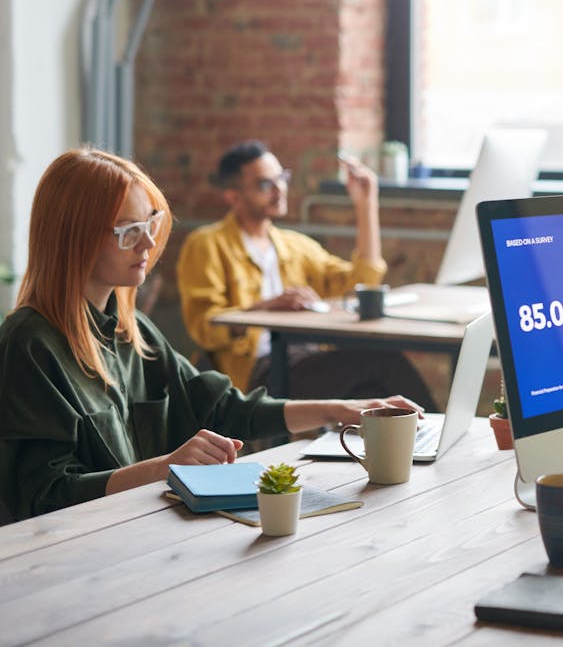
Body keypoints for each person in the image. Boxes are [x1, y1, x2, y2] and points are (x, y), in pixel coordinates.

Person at [0, 148, 423, 520]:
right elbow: (43, 499)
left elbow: (223, 407)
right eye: (129, 232)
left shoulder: (134, 333)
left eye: (152, 222)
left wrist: (341, 410)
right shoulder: (30, 346)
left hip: (140, 530)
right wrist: (167, 467)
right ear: (74, 240)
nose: (148, 243)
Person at [176, 141, 435, 408]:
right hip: (256, 370)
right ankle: (438, 439)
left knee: (372, 389)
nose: (279, 190)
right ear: (233, 196)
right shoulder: (207, 244)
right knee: (383, 363)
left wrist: (366, 204)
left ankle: (419, 442)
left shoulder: (295, 245)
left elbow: (360, 282)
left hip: (303, 358)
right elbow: (203, 328)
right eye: (265, 185)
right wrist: (265, 308)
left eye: (282, 179)